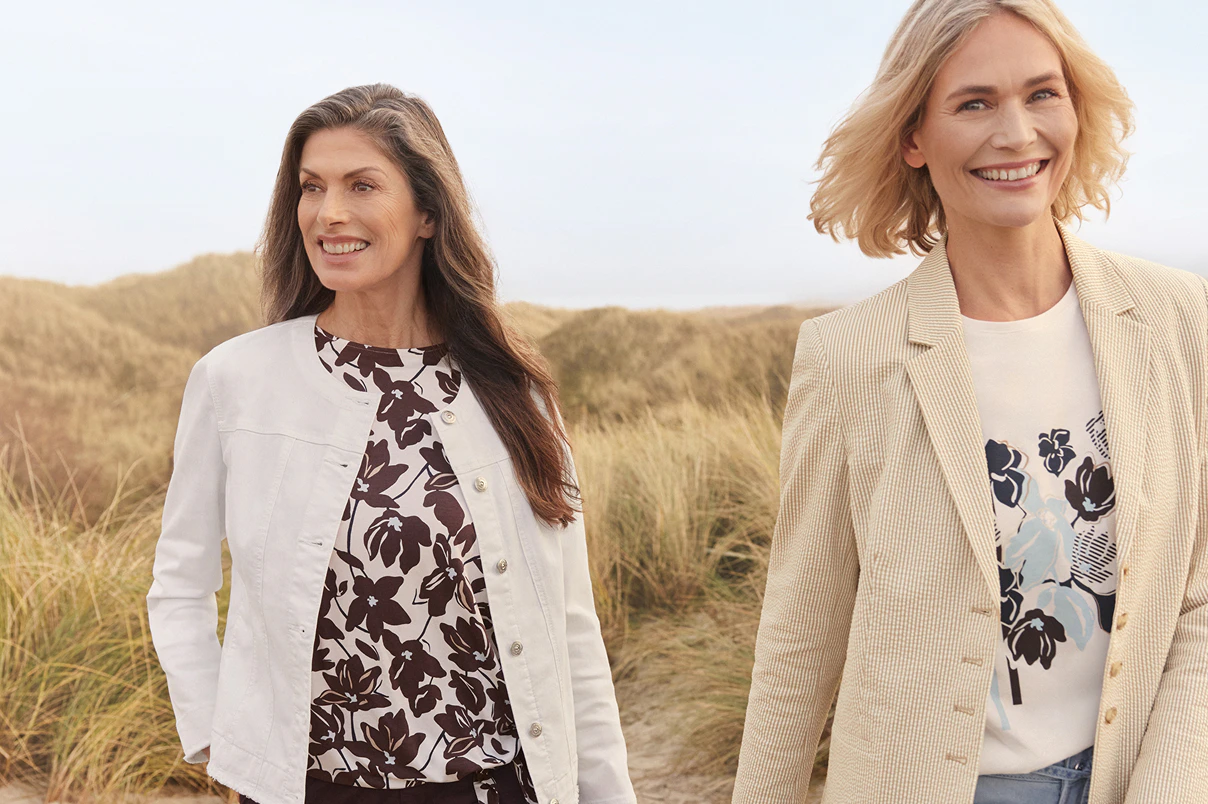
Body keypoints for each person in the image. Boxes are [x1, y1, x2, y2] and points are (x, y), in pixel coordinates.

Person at [732, 1, 1207, 802]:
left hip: (1135, 778)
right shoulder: (846, 357)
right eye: (974, 103)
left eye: (1042, 94)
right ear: (913, 137)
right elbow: (800, 639)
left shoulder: (1177, 319)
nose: (1017, 133)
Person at [146, 84, 635, 804]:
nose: (328, 213)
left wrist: (608, 793)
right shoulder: (236, 379)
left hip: (497, 786)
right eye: (311, 187)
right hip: (313, 789)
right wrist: (225, 733)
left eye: (361, 185)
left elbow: (569, 626)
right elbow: (181, 581)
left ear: (429, 213)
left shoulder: (516, 393)